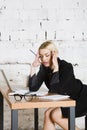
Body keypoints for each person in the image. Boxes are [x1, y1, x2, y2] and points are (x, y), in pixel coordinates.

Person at [29, 40, 87, 130]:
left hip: (82, 97)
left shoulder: (66, 67)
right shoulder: (45, 69)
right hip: (69, 99)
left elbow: (56, 90)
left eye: (47, 55)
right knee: (47, 113)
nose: (44, 59)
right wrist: (33, 67)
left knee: (54, 114)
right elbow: (33, 88)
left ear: (54, 54)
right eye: (41, 56)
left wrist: (56, 68)